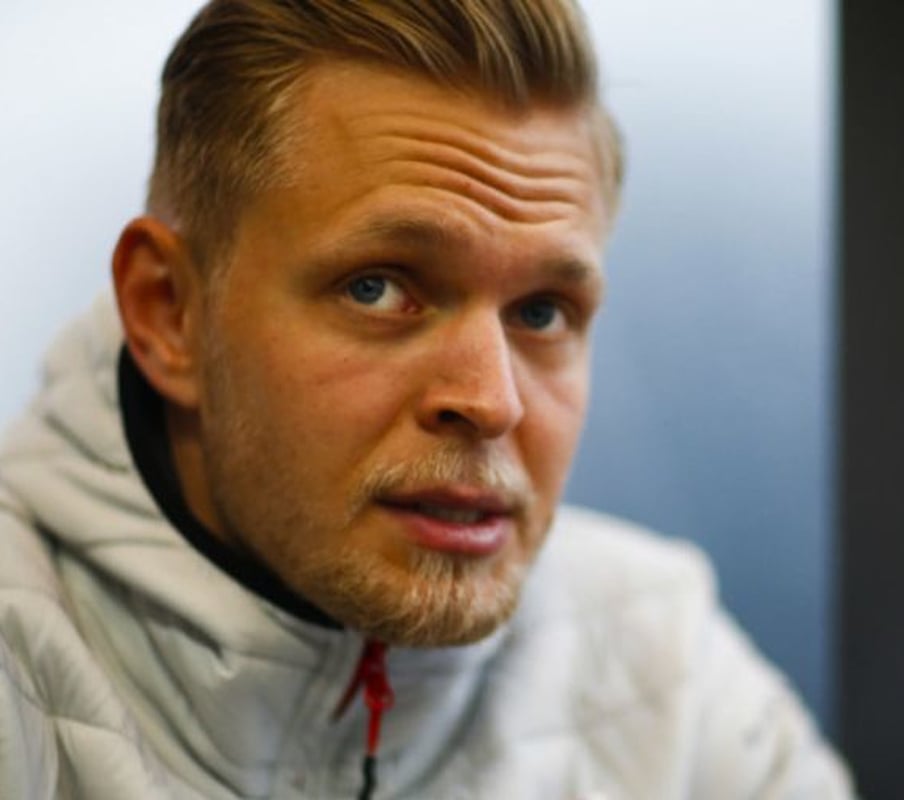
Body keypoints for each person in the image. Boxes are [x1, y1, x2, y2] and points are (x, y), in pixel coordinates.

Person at [0, 1, 853, 797]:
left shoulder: (664, 667)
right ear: (170, 314)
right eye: (377, 288)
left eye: (542, 312)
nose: (491, 401)